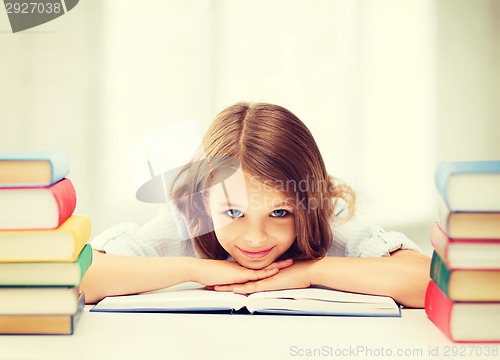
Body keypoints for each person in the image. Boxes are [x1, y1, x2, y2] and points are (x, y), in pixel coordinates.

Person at [81, 102, 431, 307]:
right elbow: (81, 276)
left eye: (280, 212)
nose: (254, 238)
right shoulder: (188, 223)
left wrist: (310, 271)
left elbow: (426, 280)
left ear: (307, 205)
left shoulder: (327, 222)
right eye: (233, 212)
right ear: (205, 201)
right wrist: (196, 270)